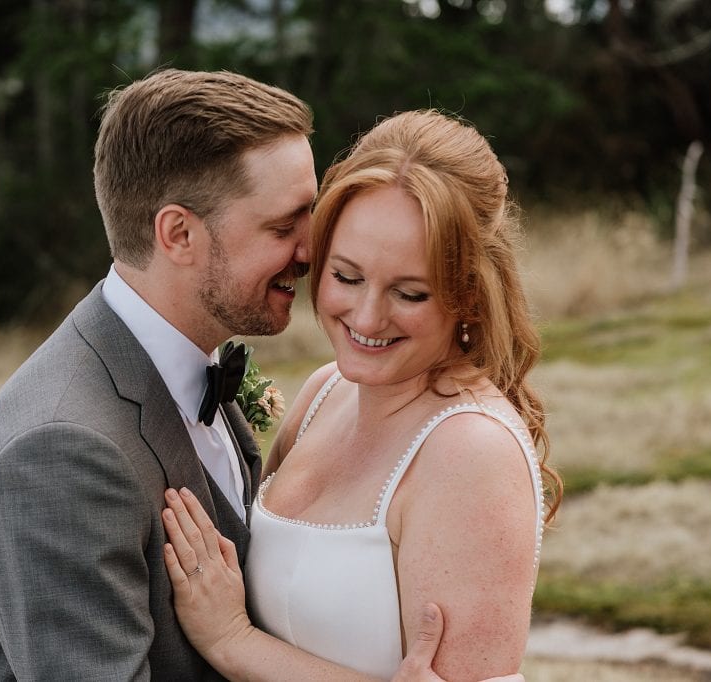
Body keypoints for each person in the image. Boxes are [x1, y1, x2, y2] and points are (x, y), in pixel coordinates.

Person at [162, 109, 563, 681]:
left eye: (410, 292)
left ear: (470, 295)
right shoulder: (326, 391)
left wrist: (230, 640)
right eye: (347, 277)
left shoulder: (469, 451)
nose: (368, 317)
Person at [0, 68, 317, 680]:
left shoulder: (189, 368)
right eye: (283, 227)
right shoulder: (59, 456)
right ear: (178, 234)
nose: (309, 252)